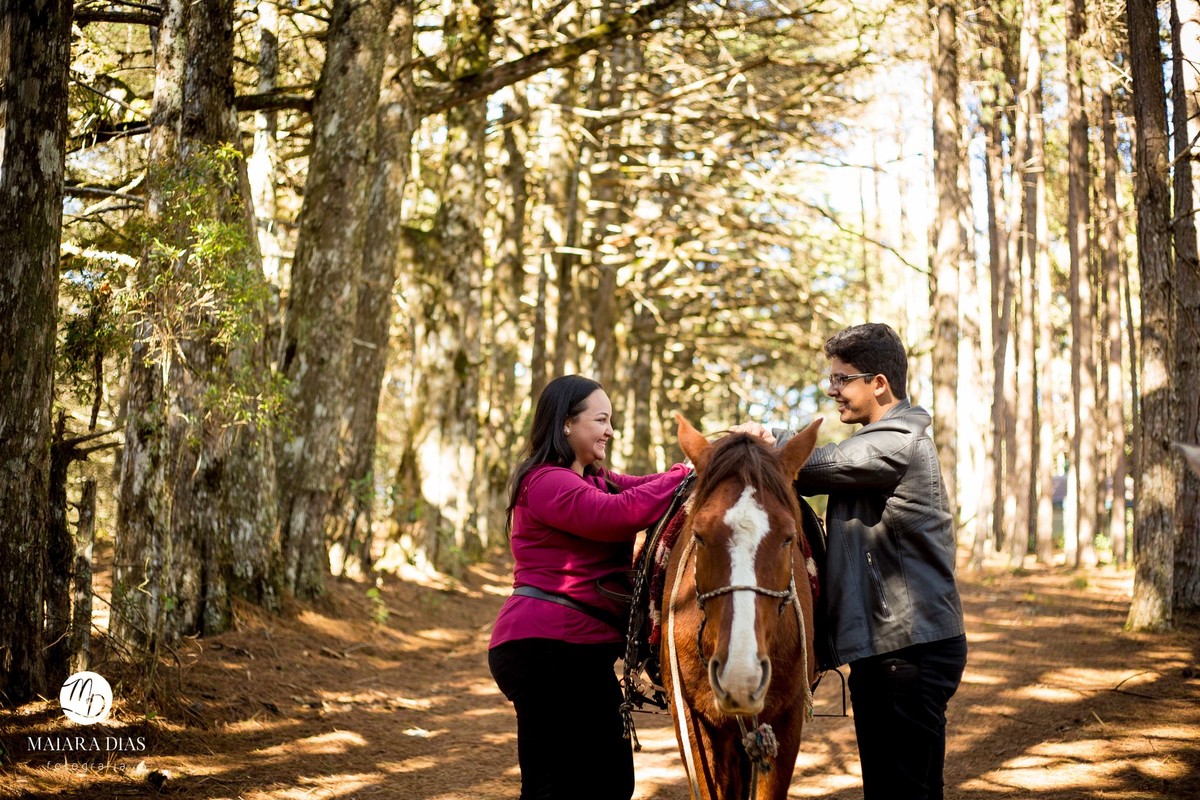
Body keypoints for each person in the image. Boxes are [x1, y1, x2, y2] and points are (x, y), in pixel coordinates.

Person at [738, 322, 967, 800]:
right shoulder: (882, 438)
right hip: (892, 648)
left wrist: (766, 438)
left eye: (842, 379)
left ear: (878, 383)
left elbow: (820, 464)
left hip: (908, 649)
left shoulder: (897, 440)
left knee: (905, 791)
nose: (831, 389)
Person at [488, 374, 691, 800]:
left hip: (575, 653)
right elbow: (619, 514)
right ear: (566, 422)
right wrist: (691, 468)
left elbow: (650, 488)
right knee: (557, 787)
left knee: (609, 783)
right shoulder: (545, 481)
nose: (610, 431)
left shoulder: (596, 478)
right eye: (601, 420)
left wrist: (696, 467)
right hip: (545, 650)